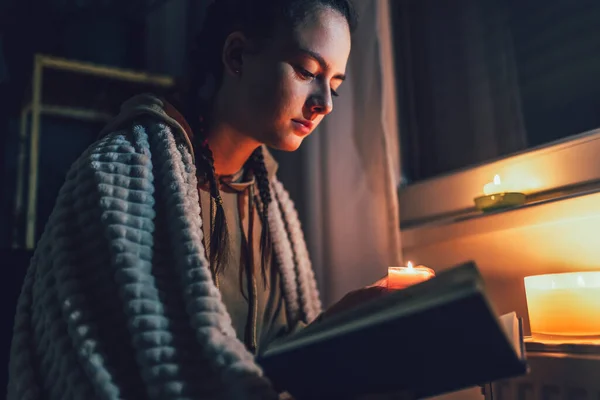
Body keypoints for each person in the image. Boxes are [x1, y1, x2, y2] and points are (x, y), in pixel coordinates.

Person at [7, 0, 400, 399]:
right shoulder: (127, 173)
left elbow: (274, 361)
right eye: (306, 71)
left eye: (333, 85)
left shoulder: (270, 203)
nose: (325, 104)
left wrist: (349, 315)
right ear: (236, 55)